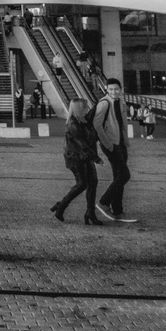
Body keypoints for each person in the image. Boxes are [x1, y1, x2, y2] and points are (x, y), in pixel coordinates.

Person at [50, 96, 102, 225]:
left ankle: (90, 212)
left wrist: (101, 101)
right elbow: (82, 144)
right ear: (79, 109)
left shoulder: (84, 120)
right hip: (75, 157)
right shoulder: (73, 124)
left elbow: (93, 112)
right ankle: (61, 206)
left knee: (93, 182)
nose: (87, 109)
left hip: (85, 156)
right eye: (85, 107)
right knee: (82, 183)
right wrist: (96, 158)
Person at [92, 78, 137, 222]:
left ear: (120, 89)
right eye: (110, 89)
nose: (113, 91)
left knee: (119, 176)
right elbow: (97, 124)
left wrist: (124, 142)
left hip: (121, 143)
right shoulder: (104, 103)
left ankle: (118, 211)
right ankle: (103, 202)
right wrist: (108, 144)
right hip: (111, 144)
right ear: (106, 89)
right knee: (124, 175)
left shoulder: (121, 101)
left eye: (116, 89)